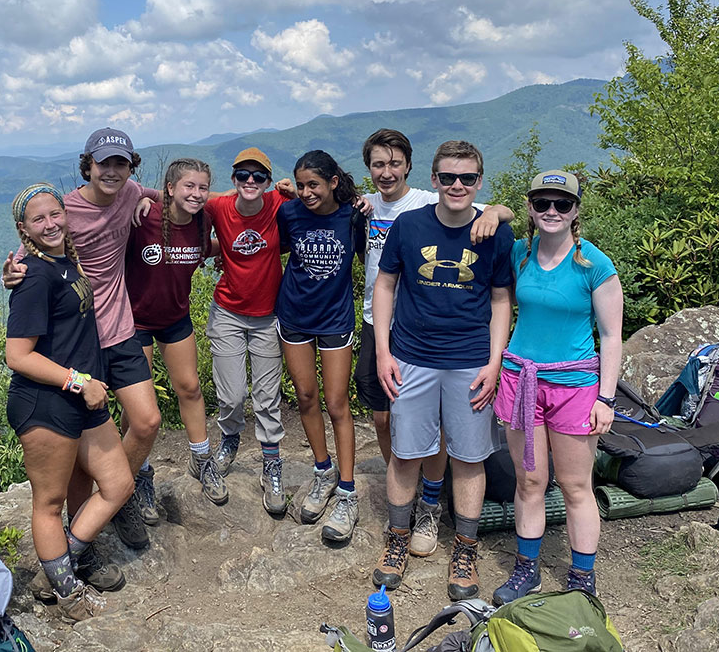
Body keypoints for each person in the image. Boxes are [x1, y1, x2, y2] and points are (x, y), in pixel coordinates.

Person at [356, 129, 512, 574]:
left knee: (467, 457)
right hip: (412, 356)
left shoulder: (494, 233)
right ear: (434, 178)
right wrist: (384, 352)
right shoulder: (410, 224)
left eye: (466, 178)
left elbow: (502, 299)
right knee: (405, 454)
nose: (457, 185)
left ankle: (465, 550)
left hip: (470, 360)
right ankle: (397, 540)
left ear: (479, 180)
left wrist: (494, 361)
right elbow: (385, 285)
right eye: (448, 177)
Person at [3, 128, 161, 551]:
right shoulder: (66, 208)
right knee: (82, 453)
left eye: (120, 164)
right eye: (103, 163)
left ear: (130, 167)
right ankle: (90, 524)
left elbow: (174, 194)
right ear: (87, 166)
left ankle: (118, 495)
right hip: (81, 343)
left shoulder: (130, 191)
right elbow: (32, 252)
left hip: (121, 329)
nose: (112, 172)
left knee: (146, 422)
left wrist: (267, 194)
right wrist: (10, 275)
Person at [4, 183, 135, 622]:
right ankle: (69, 594)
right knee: (49, 501)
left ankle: (59, 566)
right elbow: (17, 355)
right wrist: (80, 382)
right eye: (37, 220)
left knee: (118, 484)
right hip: (46, 402)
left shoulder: (61, 261)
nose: (50, 224)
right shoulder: (33, 276)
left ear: (65, 213)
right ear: (24, 229)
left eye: (54, 213)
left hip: (81, 396)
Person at [491, 170, 622, 604]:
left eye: (561, 204)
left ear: (576, 211)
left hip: (575, 386)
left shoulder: (595, 265)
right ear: (529, 207)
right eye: (543, 203)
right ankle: (526, 570)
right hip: (521, 378)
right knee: (529, 482)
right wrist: (493, 209)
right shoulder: (518, 254)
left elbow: (612, 335)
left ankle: (583, 577)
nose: (551, 211)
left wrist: (606, 397)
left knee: (575, 486)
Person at [276, 150, 368, 543]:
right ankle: (322, 470)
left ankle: (347, 491)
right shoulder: (290, 213)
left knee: (337, 403)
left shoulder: (352, 215)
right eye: (300, 185)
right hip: (294, 315)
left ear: (333, 181)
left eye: (313, 184)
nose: (306, 192)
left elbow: (373, 256)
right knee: (306, 397)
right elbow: (273, 251)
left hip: (335, 319)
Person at [125, 158, 227, 505]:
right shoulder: (144, 217)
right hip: (134, 320)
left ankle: (201, 459)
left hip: (174, 317)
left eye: (202, 187)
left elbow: (200, 247)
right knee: (139, 404)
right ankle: (139, 473)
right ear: (169, 188)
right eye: (189, 186)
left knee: (190, 388)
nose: (197, 194)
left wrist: (226, 252)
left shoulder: (204, 222)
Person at [203, 148, 292, 516]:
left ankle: (271, 462)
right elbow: (177, 196)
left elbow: (319, 195)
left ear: (269, 181)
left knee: (268, 397)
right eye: (243, 175)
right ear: (234, 179)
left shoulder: (278, 202)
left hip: (268, 315)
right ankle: (229, 439)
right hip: (227, 311)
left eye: (259, 176)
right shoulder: (220, 207)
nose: (251, 182)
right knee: (233, 393)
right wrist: (141, 201)